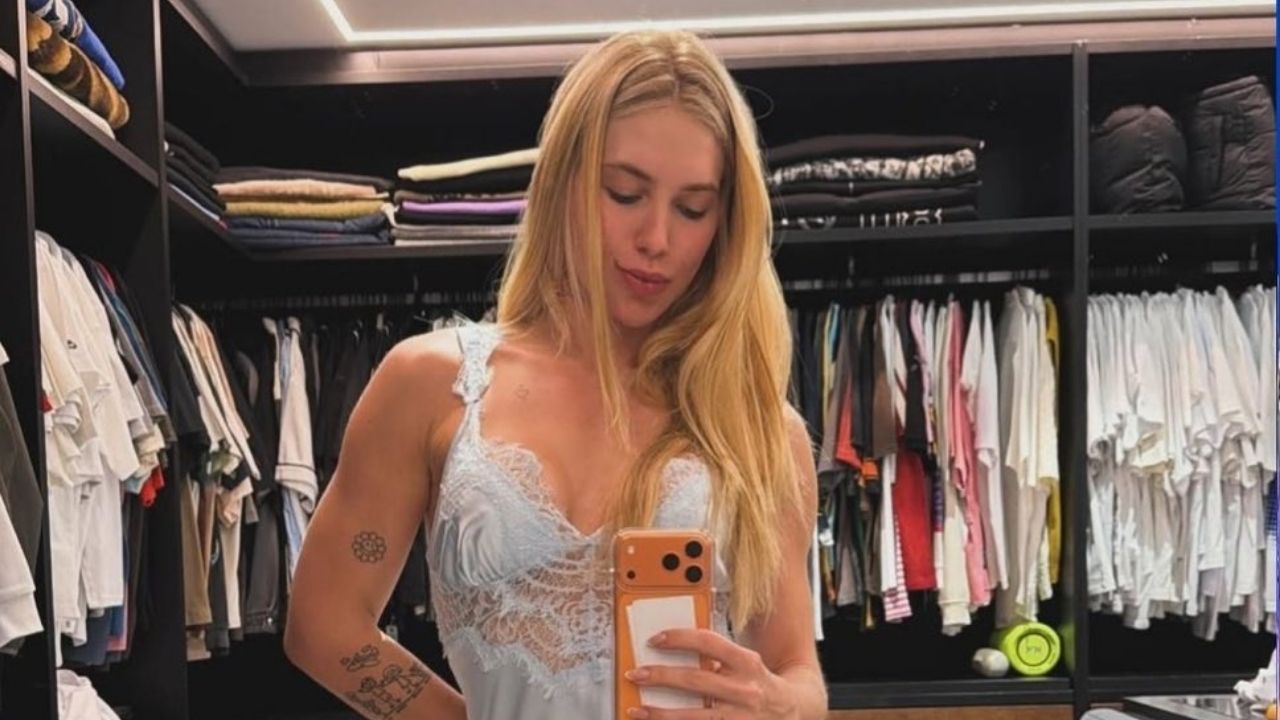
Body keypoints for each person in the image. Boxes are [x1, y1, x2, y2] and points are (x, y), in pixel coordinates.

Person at [284, 28, 827, 720]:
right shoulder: (432, 383)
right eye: (625, 194)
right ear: (565, 182)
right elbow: (324, 625)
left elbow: (798, 673)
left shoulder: (760, 431)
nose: (657, 239)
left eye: (693, 208)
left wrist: (779, 705)